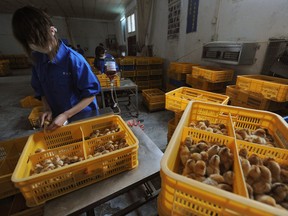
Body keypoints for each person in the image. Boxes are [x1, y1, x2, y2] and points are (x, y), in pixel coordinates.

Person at [12, 6, 101, 131]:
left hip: (82, 116)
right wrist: (47, 109)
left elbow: (91, 94)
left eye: (40, 40)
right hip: (58, 118)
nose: (37, 45)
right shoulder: (37, 60)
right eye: (32, 42)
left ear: (52, 30)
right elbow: (41, 90)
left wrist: (66, 114)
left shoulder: (74, 59)